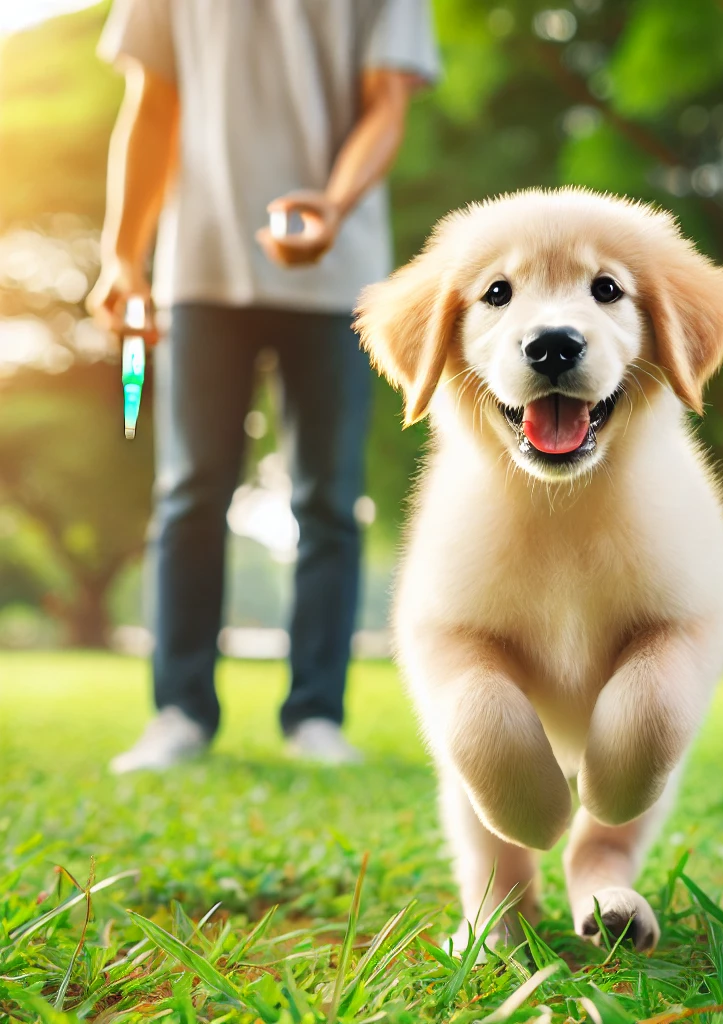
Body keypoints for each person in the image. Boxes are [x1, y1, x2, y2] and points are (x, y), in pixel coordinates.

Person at [89, 0, 439, 773]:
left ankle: (315, 714)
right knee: (189, 492)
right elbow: (152, 102)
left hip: (339, 275)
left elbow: (387, 104)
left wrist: (334, 207)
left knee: (328, 500)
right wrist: (123, 256)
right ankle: (179, 711)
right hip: (200, 270)